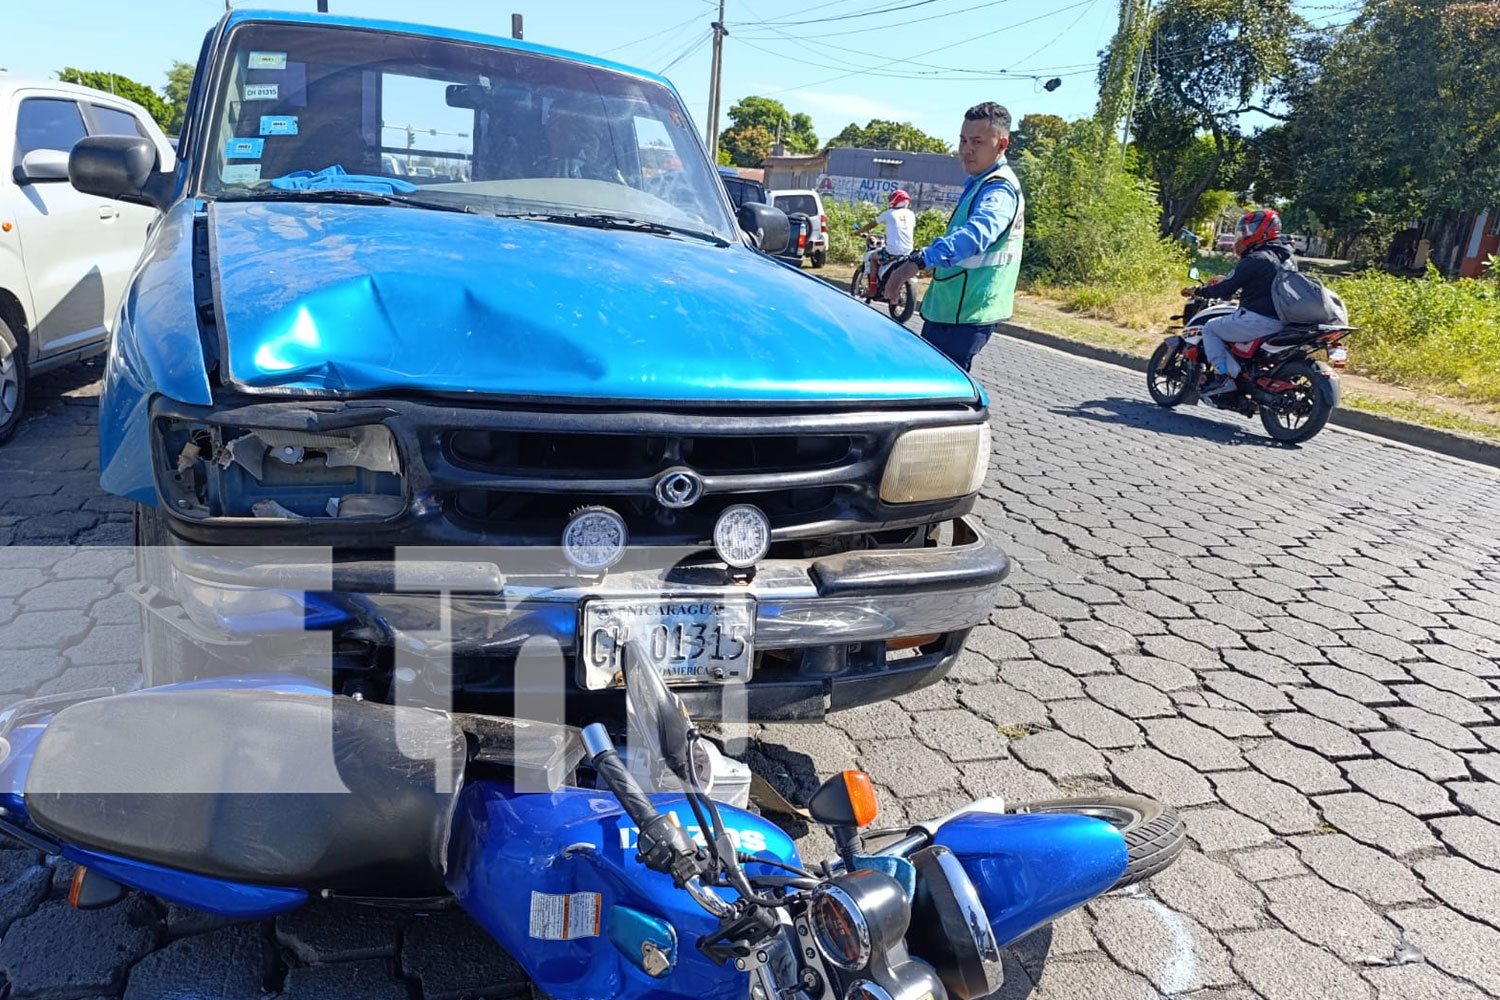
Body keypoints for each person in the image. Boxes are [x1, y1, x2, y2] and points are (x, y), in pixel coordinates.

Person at [881, 102, 1024, 372]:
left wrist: (919, 261)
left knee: (934, 392)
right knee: (932, 391)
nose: (966, 149)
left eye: (978, 142)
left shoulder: (999, 190)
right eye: (963, 140)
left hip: (966, 313)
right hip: (952, 310)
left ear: (1001, 144)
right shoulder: (980, 182)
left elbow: (976, 234)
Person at [1182, 209, 1292, 396]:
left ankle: (1223, 376)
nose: (1245, 234)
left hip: (1258, 319)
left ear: (1265, 231)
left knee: (1211, 328)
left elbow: (1225, 289)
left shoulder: (1255, 258)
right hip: (1283, 321)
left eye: (1251, 229)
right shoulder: (1287, 260)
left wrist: (1200, 291)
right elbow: (1266, 286)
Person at [856, 189, 917, 258]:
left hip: (892, 251)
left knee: (872, 257)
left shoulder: (889, 213)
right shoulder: (911, 214)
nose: (890, 200)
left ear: (897, 199)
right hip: (908, 252)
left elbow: (872, 224)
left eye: (891, 198)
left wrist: (860, 231)